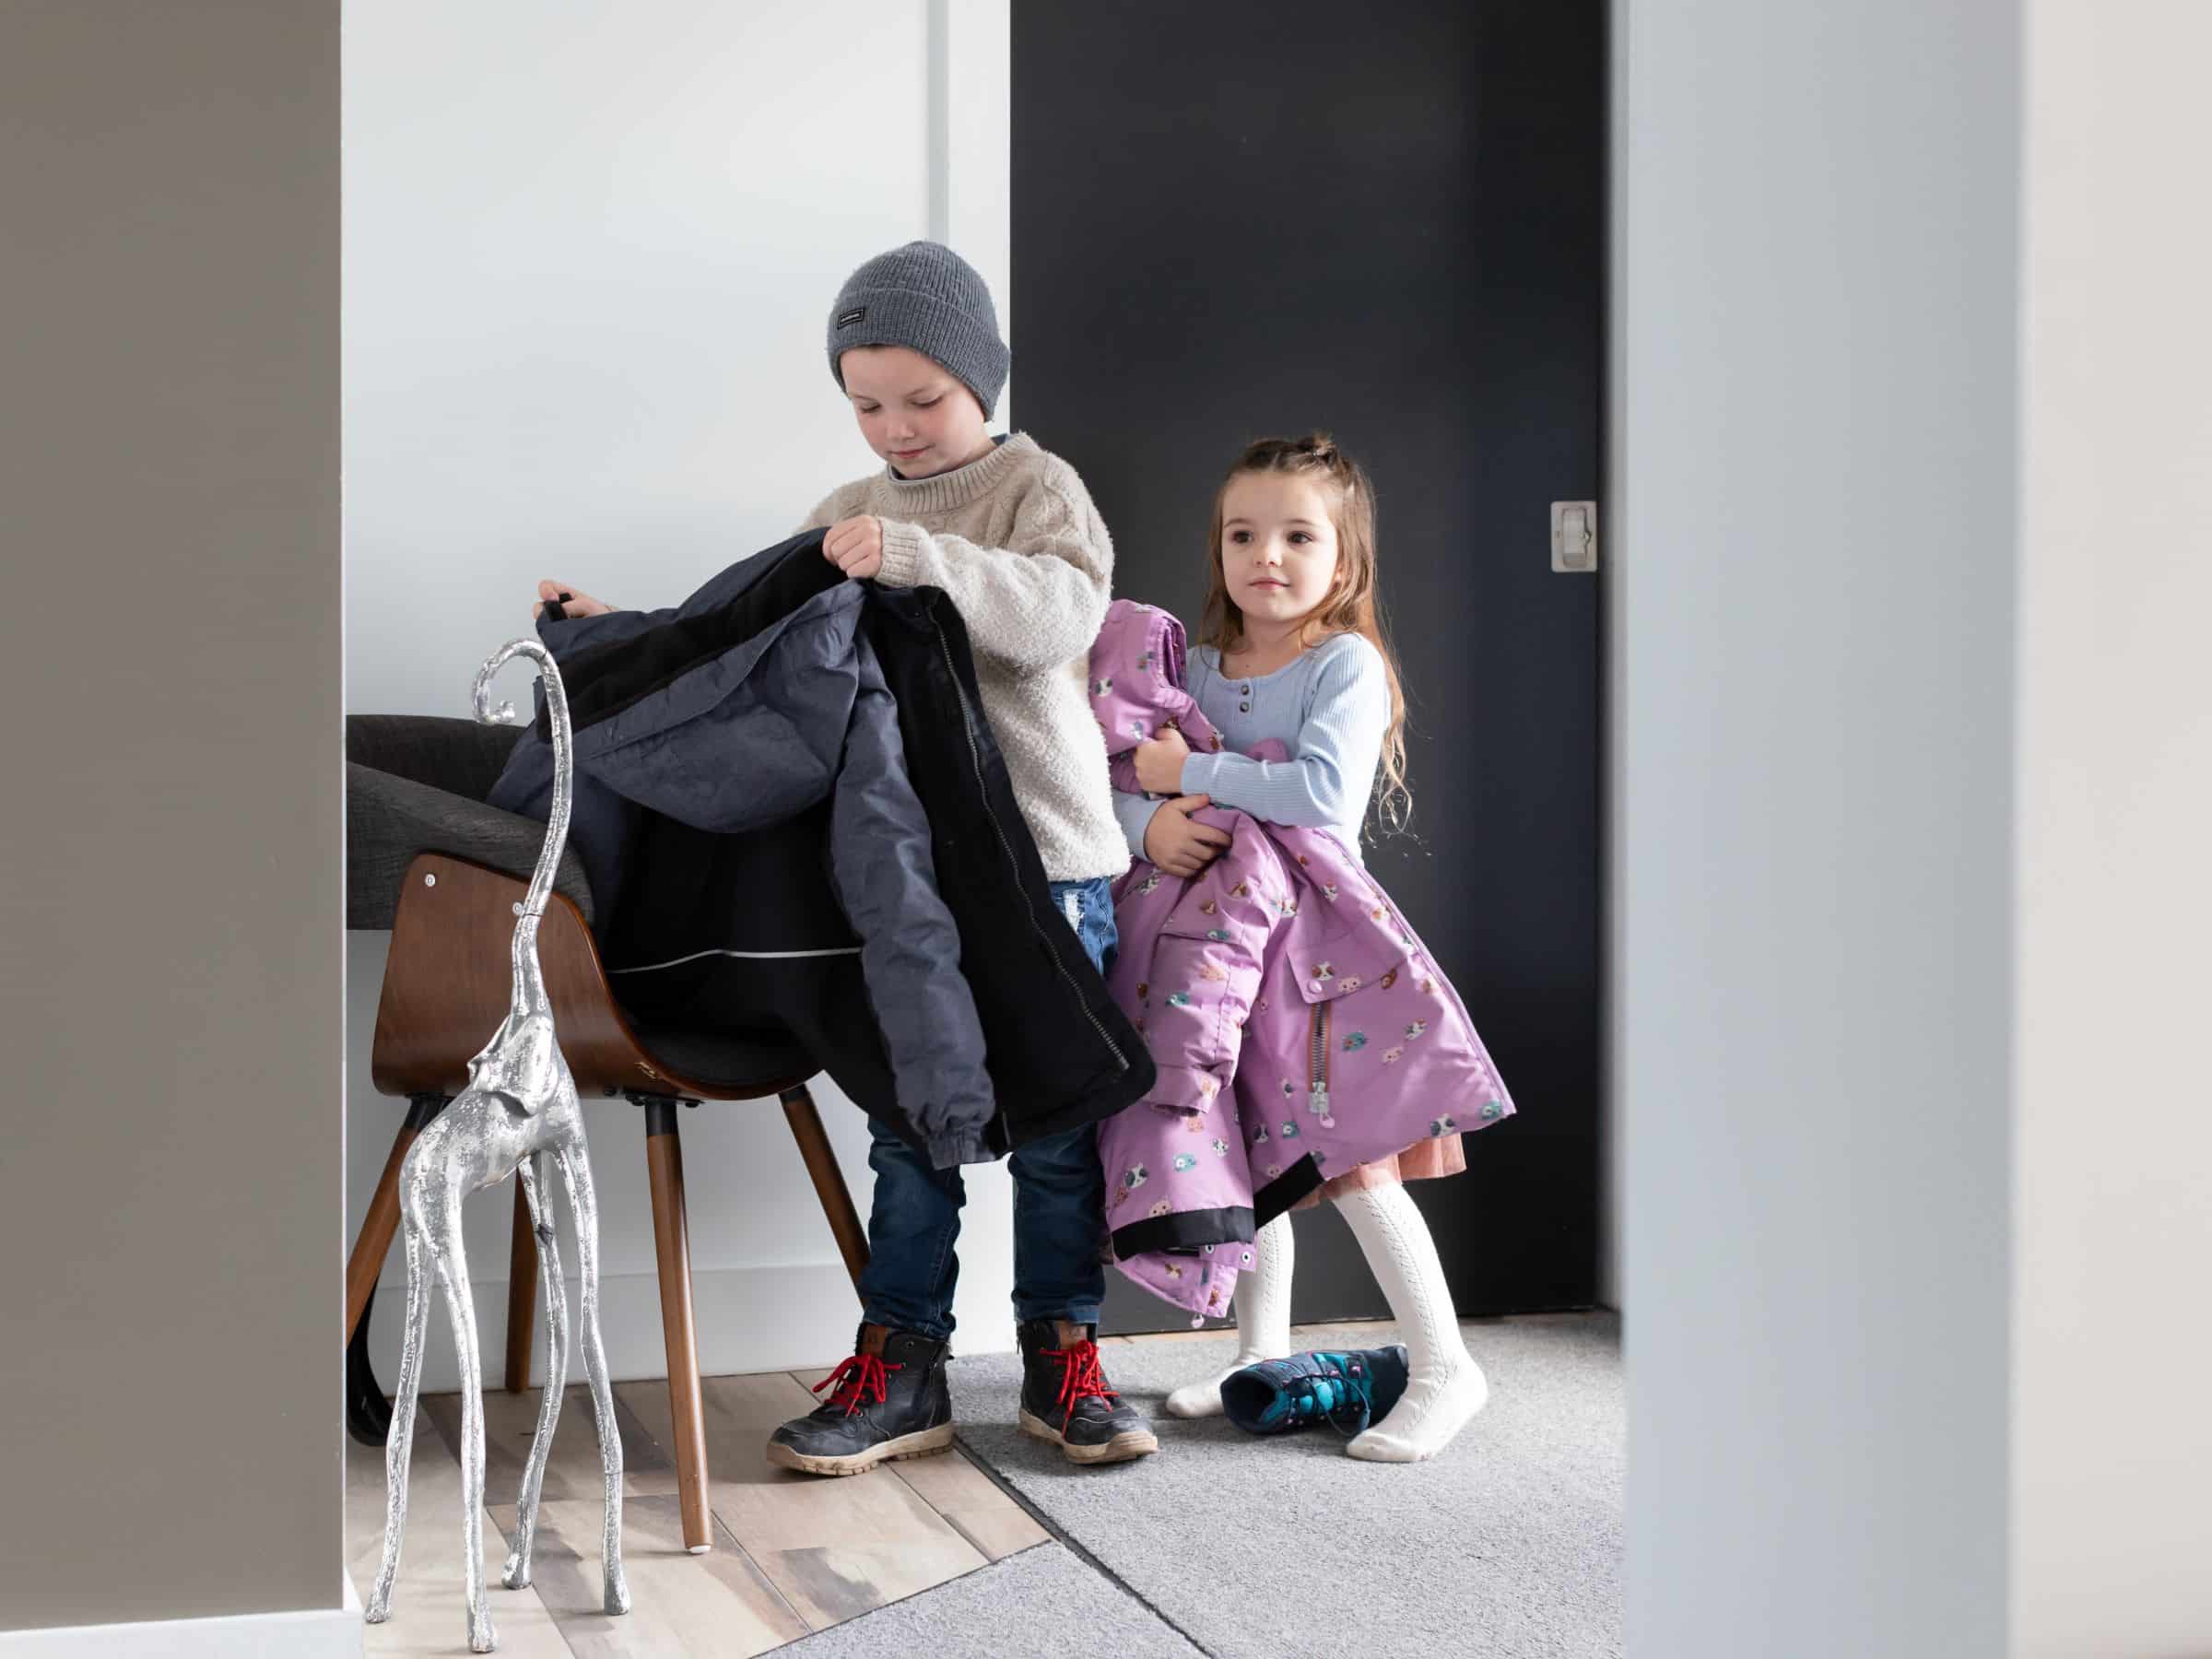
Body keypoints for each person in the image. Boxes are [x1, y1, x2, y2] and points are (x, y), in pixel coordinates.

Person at [535, 241, 1156, 1474]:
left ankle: (1063, 1356)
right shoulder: (841, 514)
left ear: (982, 379)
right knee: (910, 1120)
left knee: (1052, 1127)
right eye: (867, 403)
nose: (898, 428)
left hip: (1045, 869)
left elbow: (1057, 618)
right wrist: (615, 636)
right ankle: (904, 1360)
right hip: (902, 881)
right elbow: (749, 639)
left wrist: (920, 555)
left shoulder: (1038, 488)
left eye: (923, 399)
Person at [1114, 432, 1493, 1462]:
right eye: (1244, 534)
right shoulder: (1189, 669)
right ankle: (1261, 1351)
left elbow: (1324, 798)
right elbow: (1118, 782)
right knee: (1249, 1156)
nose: (1266, 555)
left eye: (1296, 535)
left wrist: (1196, 771)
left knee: (1355, 1161)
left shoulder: (1344, 665)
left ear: (1345, 560)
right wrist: (1149, 821)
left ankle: (1446, 1364)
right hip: (1209, 954)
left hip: (1320, 960)